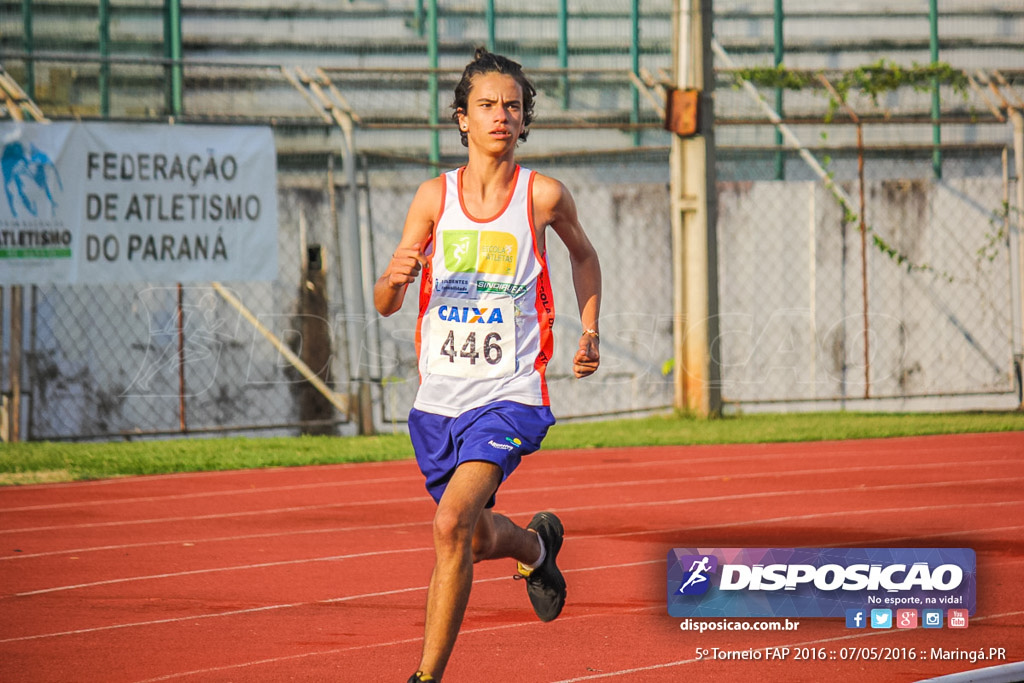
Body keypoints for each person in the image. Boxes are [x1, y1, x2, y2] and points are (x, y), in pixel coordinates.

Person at [374, 48, 602, 683]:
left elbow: (585, 258)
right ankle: (534, 545)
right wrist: (393, 281)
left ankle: (425, 677)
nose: (501, 115)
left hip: (510, 393)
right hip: (439, 399)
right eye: (487, 105)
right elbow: (386, 303)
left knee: (449, 525)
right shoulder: (432, 198)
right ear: (461, 119)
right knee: (471, 539)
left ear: (525, 121)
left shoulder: (543, 196)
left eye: (513, 106)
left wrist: (589, 330)